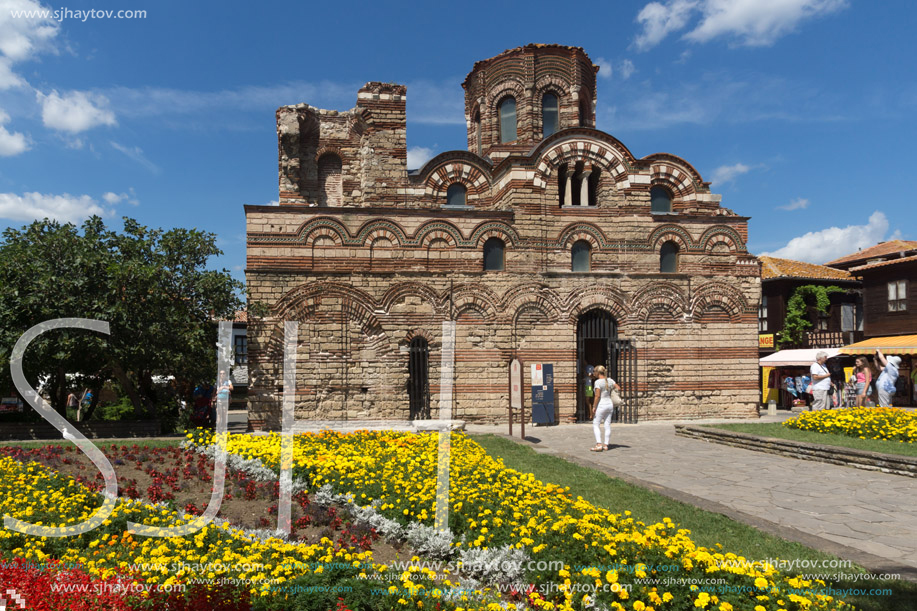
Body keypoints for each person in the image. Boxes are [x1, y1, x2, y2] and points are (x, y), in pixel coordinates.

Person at [590, 365, 618, 452]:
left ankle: (599, 444)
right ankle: (606, 445)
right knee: (607, 424)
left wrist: (594, 406)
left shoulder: (598, 382)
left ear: (598, 372)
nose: (593, 372)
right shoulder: (610, 380)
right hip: (609, 404)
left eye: (594, 371)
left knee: (596, 424)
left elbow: (597, 396)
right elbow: (618, 388)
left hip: (601, 405)